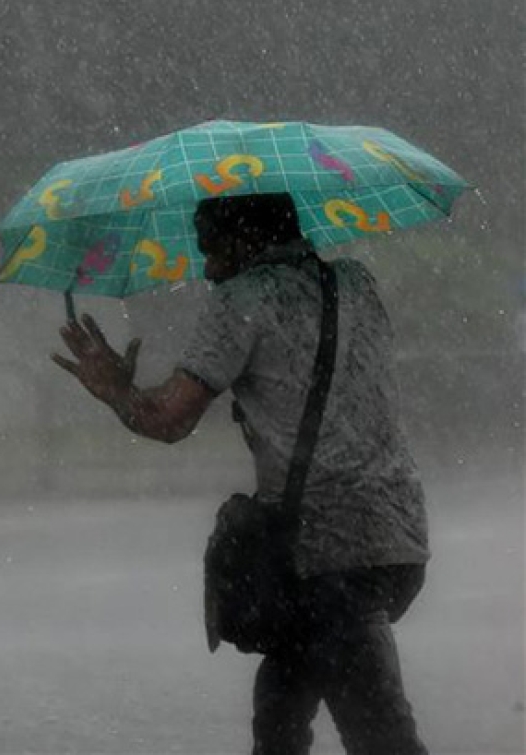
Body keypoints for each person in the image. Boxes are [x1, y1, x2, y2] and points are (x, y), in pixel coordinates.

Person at [52, 192, 431, 755]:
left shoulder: (244, 298)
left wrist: (116, 391)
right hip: (397, 534)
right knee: (280, 712)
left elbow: (168, 419)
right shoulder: (356, 282)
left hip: (322, 552)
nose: (207, 267)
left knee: (380, 737)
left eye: (211, 250)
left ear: (243, 240)